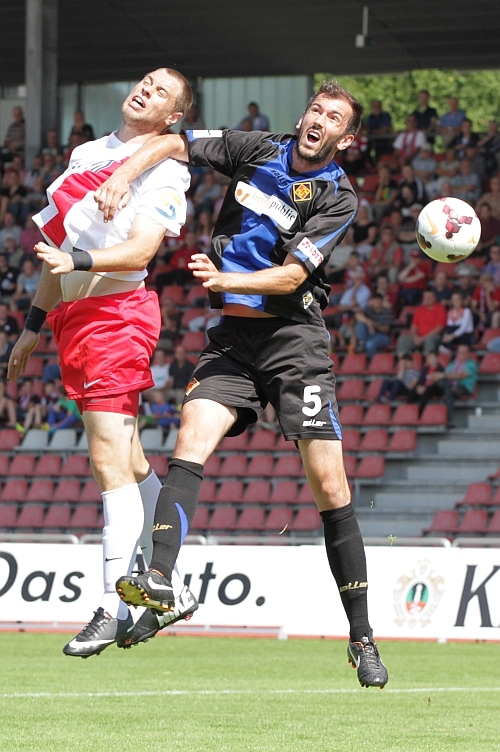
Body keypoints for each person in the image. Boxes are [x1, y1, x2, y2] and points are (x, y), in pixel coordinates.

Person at [95, 79, 389, 688]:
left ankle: (361, 636)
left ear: (345, 138)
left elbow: (290, 278)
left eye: (334, 117)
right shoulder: (257, 148)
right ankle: (160, 580)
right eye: (315, 109)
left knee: (330, 486)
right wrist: (124, 174)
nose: (319, 119)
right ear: (303, 117)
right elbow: (173, 143)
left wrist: (226, 279)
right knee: (189, 438)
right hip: (232, 339)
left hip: (294, 343)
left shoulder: (337, 196)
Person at [7, 68, 198, 658]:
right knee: (133, 462)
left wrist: (80, 262)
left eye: (161, 92)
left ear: (173, 117)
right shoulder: (87, 153)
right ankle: (173, 586)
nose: (145, 90)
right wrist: (33, 326)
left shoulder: (168, 168)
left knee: (107, 459)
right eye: (145, 81)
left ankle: (113, 608)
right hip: (72, 320)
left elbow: (140, 251)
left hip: (117, 316)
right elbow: (56, 252)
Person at [397, 288, 447, 355]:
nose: (427, 299)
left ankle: (428, 360)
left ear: (434, 298)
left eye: (429, 297)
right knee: (403, 340)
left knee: (429, 340)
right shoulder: (419, 310)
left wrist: (423, 338)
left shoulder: (440, 308)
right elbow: (414, 327)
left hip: (433, 336)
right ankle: (404, 360)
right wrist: (415, 337)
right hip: (418, 336)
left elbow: (439, 328)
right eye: (425, 297)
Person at [354, 293, 393, 359]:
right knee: (361, 323)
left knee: (370, 344)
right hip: (370, 334)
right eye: (375, 300)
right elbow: (358, 315)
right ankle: (361, 343)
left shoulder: (387, 312)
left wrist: (374, 325)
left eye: (378, 300)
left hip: (383, 336)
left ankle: (373, 361)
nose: (377, 302)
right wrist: (368, 322)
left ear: (382, 301)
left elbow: (386, 329)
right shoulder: (369, 309)